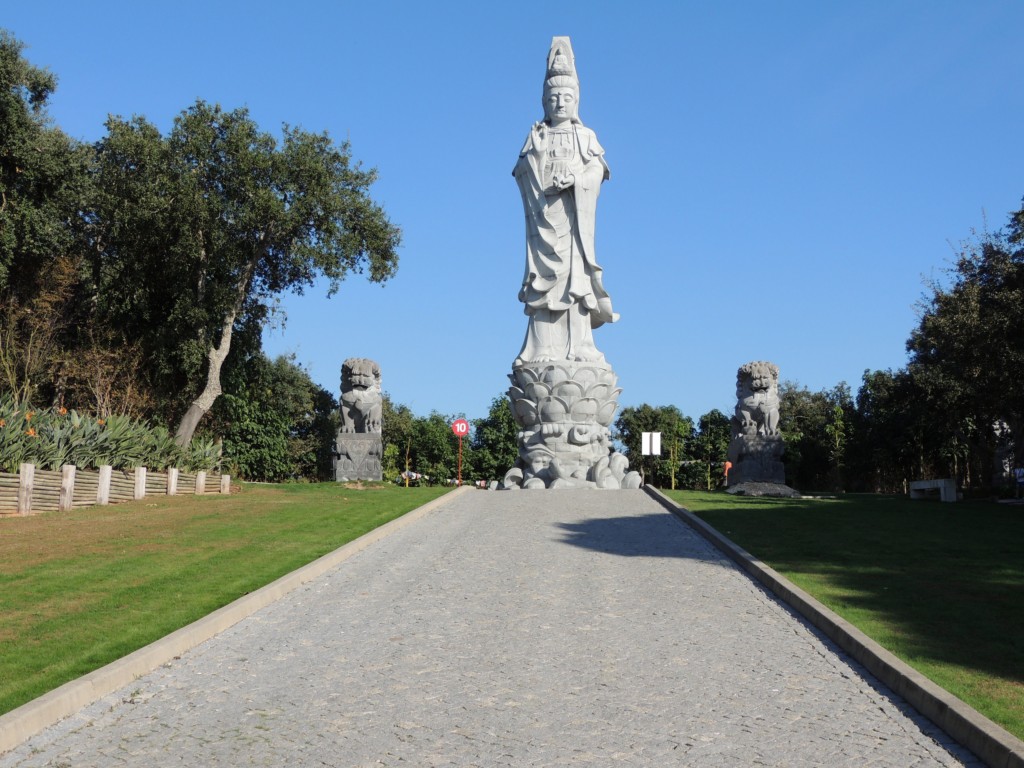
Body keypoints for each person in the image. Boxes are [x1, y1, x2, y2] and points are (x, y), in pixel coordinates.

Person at [513, 38, 617, 366]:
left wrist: (576, 180)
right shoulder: (536, 136)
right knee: (547, 285)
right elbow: (522, 173)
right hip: (546, 223)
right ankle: (543, 348)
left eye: (566, 97)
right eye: (553, 97)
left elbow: (597, 170)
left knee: (576, 284)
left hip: (574, 223)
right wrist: (539, 154)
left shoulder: (585, 136)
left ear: (576, 100)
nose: (560, 103)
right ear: (544, 101)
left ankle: (581, 345)